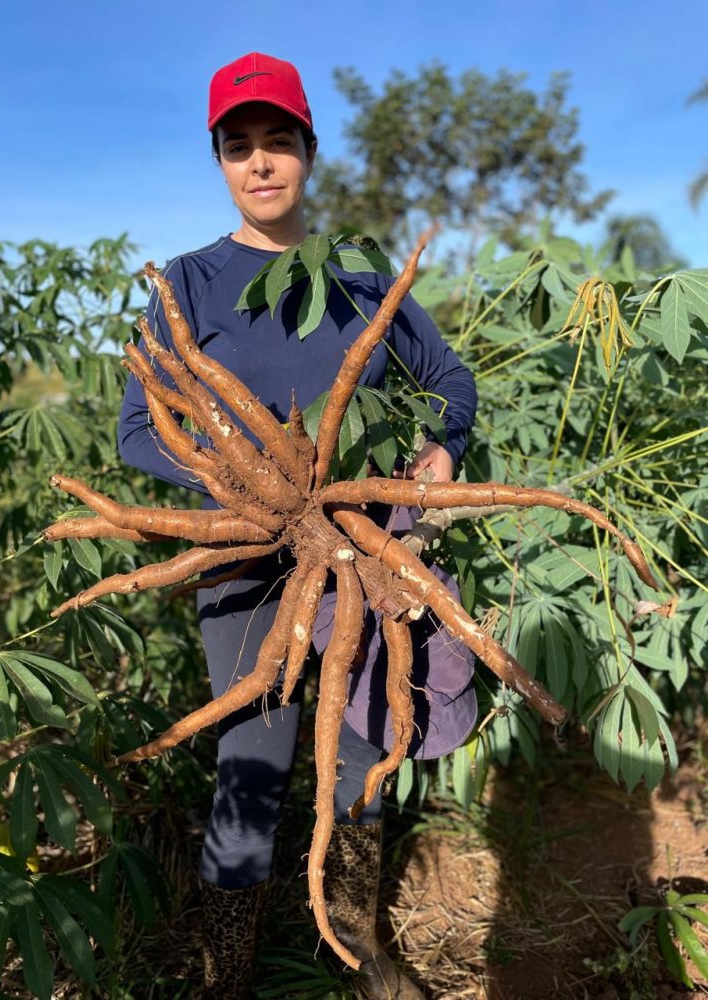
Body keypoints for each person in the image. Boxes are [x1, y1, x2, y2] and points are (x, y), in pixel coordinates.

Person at [118, 52, 478, 1000]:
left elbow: (450, 384)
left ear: (309, 152)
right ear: (221, 164)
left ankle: (357, 951)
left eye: (279, 142)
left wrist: (439, 454)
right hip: (244, 557)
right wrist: (245, 473)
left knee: (364, 742)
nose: (261, 162)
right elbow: (136, 432)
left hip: (365, 549)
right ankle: (223, 970)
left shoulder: (357, 277)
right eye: (240, 147)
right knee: (254, 755)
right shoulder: (190, 283)